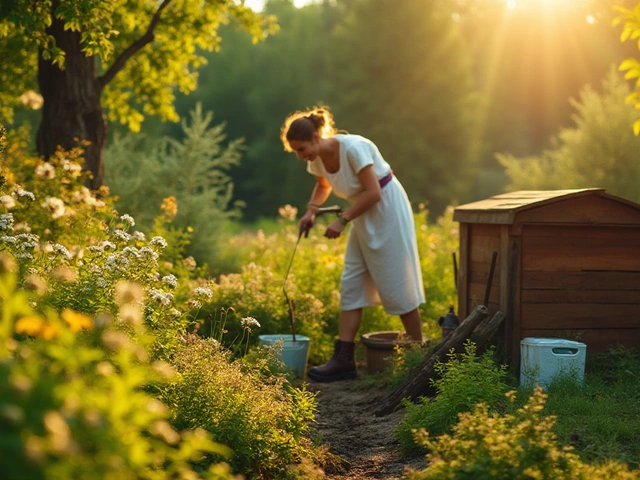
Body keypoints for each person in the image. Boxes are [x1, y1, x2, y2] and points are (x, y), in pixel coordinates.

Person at [280, 107, 425, 382]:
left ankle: (419, 356)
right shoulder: (318, 157)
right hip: (361, 213)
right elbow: (323, 185)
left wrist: (342, 220)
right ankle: (344, 359)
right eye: (296, 152)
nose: (301, 157)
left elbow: (374, 193)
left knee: (396, 278)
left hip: (386, 210)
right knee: (352, 281)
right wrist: (311, 211)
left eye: (301, 149)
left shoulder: (354, 148)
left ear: (315, 136)